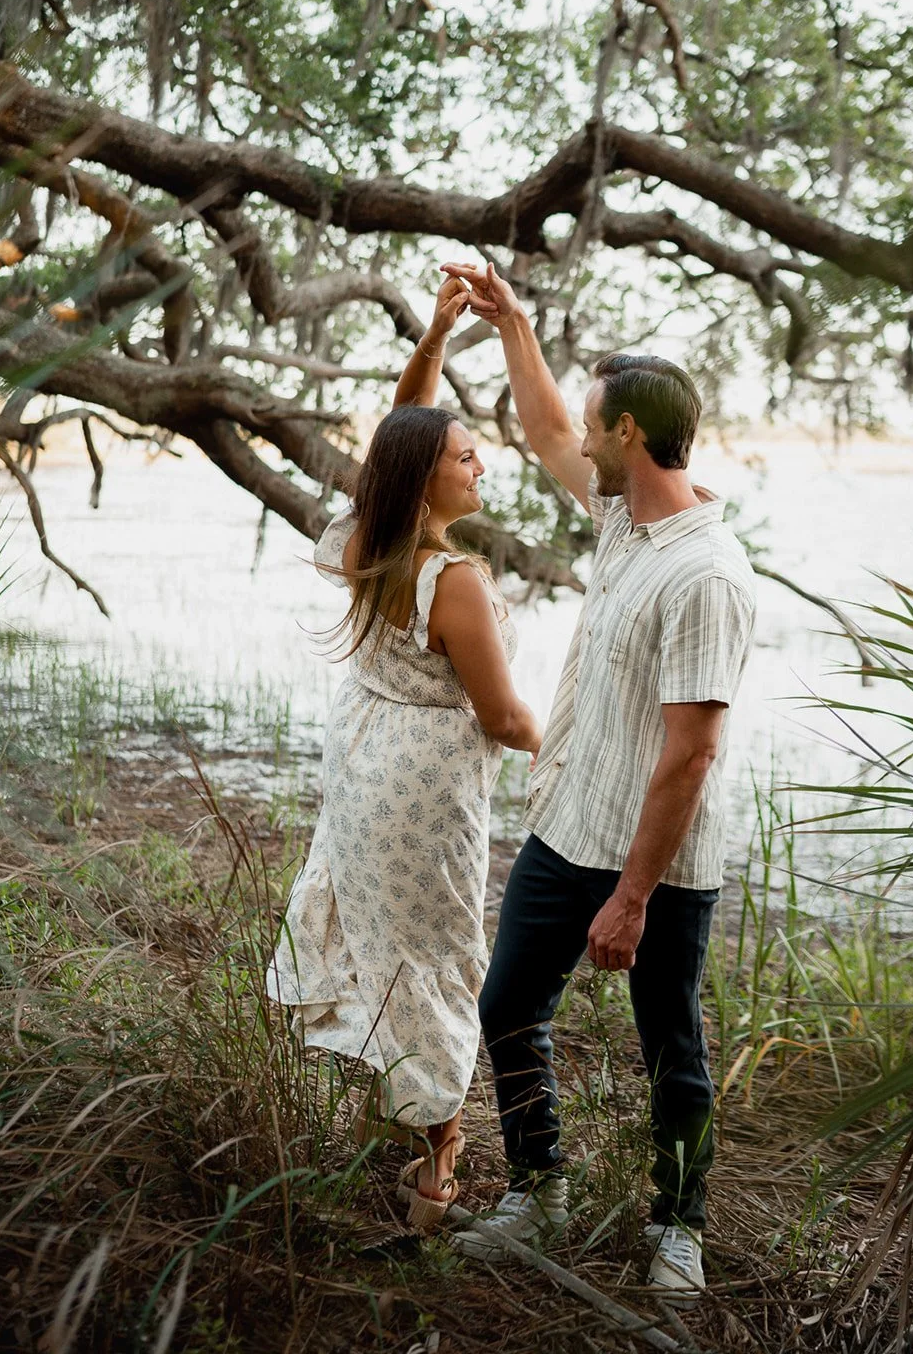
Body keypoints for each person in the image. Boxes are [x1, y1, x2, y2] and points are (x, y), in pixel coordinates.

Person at [442, 259, 756, 1298]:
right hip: (567, 822)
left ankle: (680, 1225)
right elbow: (539, 431)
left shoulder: (705, 573)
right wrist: (514, 327)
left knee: (671, 1043)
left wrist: (631, 894)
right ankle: (540, 1187)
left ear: (629, 435)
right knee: (506, 1007)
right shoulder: (626, 518)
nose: (577, 442)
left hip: (652, 864)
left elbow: (693, 751)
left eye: (594, 427)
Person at [266, 274, 540, 1230]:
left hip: (362, 764)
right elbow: (504, 719)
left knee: (397, 949)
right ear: (428, 478)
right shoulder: (451, 578)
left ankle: (417, 1144)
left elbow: (399, 426)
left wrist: (434, 334)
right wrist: (579, 759)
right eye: (467, 459)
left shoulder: (364, 540)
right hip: (424, 790)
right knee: (439, 958)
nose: (481, 469)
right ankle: (436, 1180)